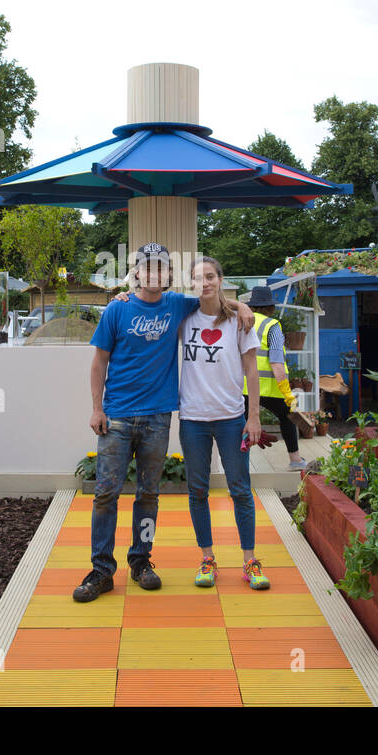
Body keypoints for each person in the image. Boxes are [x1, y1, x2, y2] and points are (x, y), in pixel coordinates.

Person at [75, 243, 255, 603]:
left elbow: (214, 300)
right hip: (117, 417)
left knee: (148, 495)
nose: (154, 274)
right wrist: (96, 408)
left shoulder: (178, 305)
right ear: (137, 273)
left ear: (168, 275)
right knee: (105, 494)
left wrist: (242, 304)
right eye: (147, 267)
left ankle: (141, 562)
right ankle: (101, 570)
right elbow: (98, 364)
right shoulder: (117, 310)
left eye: (161, 268)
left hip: (158, 417)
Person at [177, 256, 270, 590]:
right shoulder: (183, 318)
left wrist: (254, 416)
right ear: (190, 284)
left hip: (232, 419)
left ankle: (250, 560)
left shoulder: (239, 321)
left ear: (220, 279)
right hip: (193, 420)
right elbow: (152, 307)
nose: (205, 283)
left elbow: (252, 370)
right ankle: (207, 558)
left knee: (240, 489)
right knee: (197, 490)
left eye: (211, 276)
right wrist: (123, 296)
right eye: (199, 278)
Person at [243, 284, 308, 469]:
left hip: (243, 386)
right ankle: (295, 460)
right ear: (270, 307)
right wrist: (287, 393)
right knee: (287, 417)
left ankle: (241, 467)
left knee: (242, 426)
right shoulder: (272, 326)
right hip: (270, 387)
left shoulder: (241, 321)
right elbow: (277, 363)